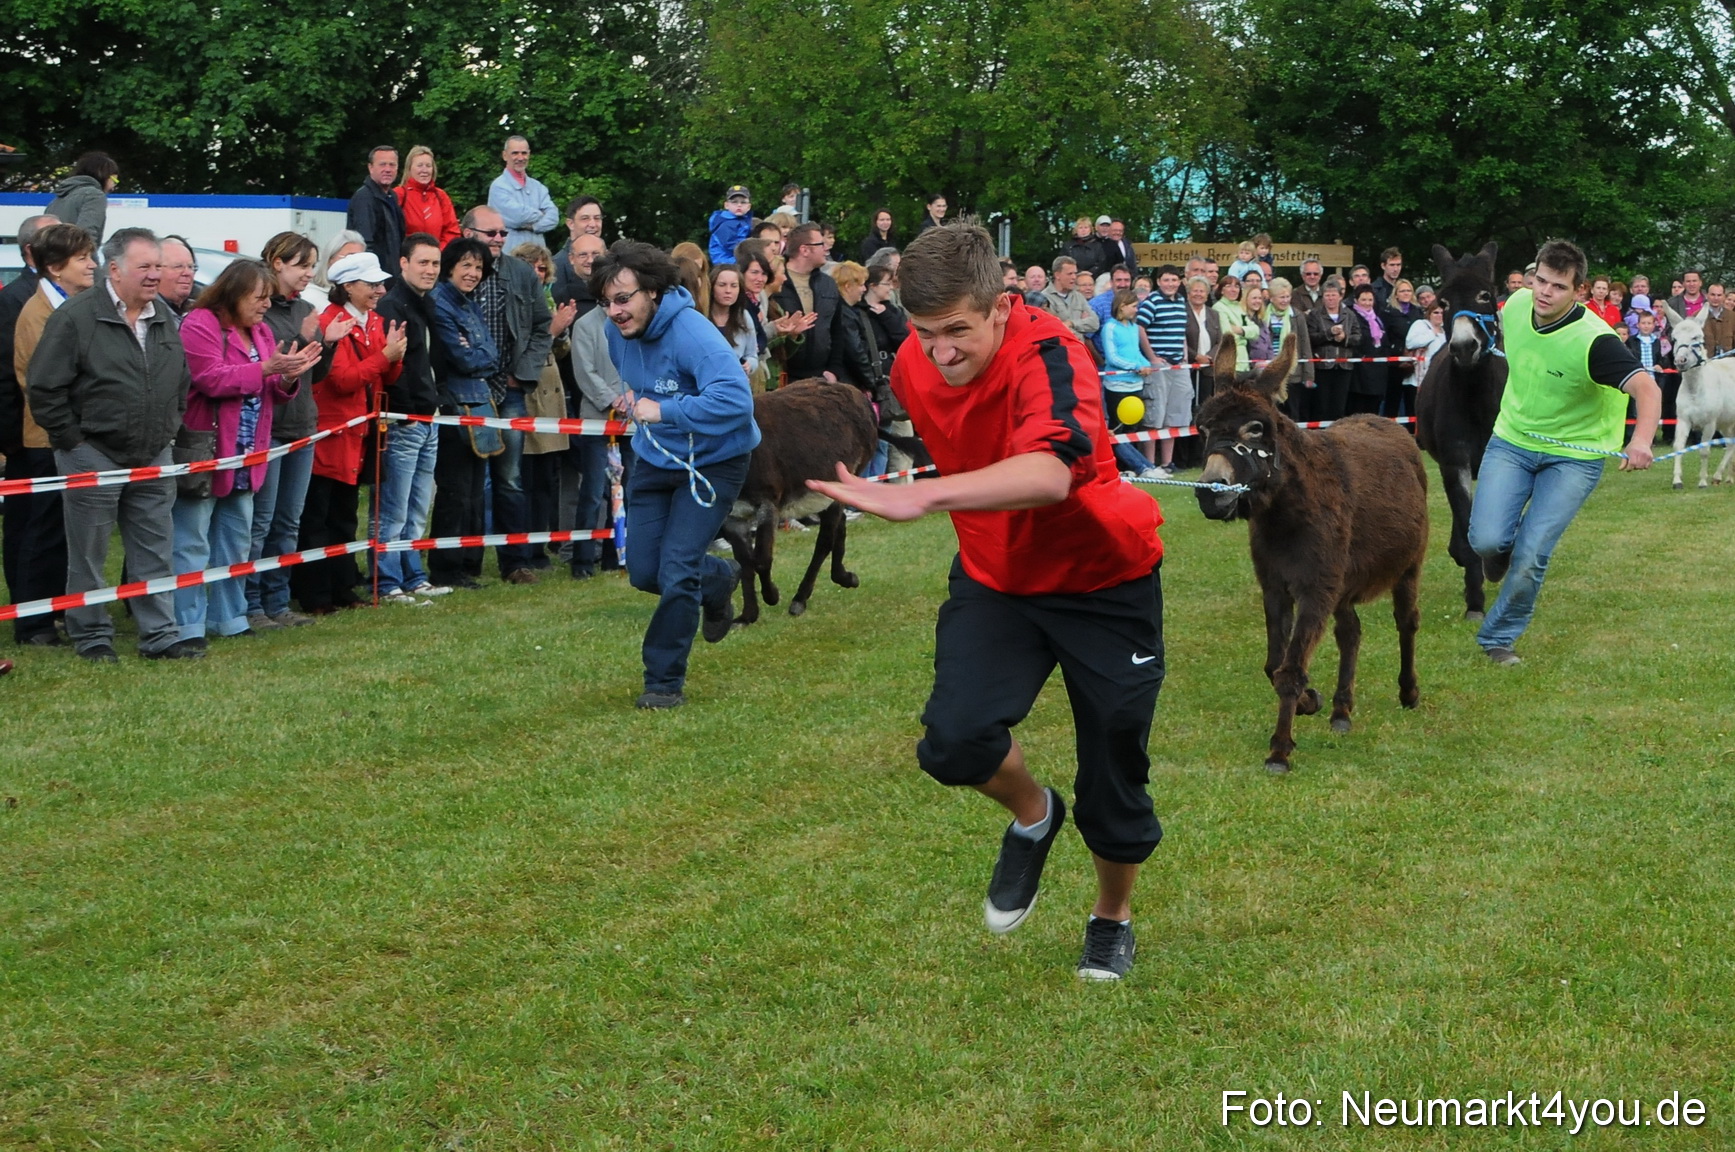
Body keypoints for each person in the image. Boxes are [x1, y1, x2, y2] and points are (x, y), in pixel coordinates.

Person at [806, 223, 1167, 981]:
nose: (940, 351)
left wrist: (922, 497)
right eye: (926, 332)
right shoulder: (911, 360)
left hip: (1103, 578)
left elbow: (1049, 475)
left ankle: (1110, 917)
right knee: (953, 741)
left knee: (1114, 765)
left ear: (1002, 306)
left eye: (958, 332)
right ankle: (1034, 815)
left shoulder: (1051, 352)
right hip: (997, 574)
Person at [1467, 239, 1660, 666]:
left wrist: (1641, 440)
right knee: (1484, 539)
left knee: (1533, 552)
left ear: (1579, 291)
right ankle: (1498, 553)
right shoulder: (1516, 305)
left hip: (1575, 456)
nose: (1543, 292)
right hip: (1513, 440)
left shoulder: (1596, 341)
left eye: (1557, 286)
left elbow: (1646, 388)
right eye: (1539, 280)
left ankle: (1499, 638)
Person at [593, 240, 760, 709]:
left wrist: (664, 409)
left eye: (624, 299)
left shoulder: (693, 333)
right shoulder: (616, 333)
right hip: (654, 458)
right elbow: (644, 385)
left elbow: (736, 401)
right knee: (646, 572)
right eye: (607, 302)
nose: (615, 312)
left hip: (713, 464)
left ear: (654, 291)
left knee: (677, 568)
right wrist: (643, 408)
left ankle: (663, 682)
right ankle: (719, 578)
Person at [26, 228, 204, 661]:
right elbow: (44, 387)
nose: (154, 275)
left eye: (157, 266)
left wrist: (168, 426)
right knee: (88, 553)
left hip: (151, 451)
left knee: (154, 550)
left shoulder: (162, 315)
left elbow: (178, 379)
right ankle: (92, 636)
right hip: (93, 451)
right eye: (145, 267)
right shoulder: (76, 317)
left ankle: (160, 636)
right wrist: (73, 442)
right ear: (114, 269)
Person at [173, 260, 314, 642]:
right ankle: (187, 623)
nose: (266, 304)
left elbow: (271, 391)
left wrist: (287, 377)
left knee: (237, 540)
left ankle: (230, 618)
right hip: (208, 452)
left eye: (269, 297)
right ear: (234, 293)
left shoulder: (263, 332)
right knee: (192, 541)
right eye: (259, 297)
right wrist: (267, 369)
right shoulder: (200, 323)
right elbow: (208, 378)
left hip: (249, 453)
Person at [292, 252, 405, 613]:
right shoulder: (330, 322)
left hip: (358, 435)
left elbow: (385, 378)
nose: (380, 290)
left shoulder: (373, 321)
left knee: (344, 516)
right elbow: (342, 381)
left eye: (379, 283)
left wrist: (395, 357)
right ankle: (316, 595)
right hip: (331, 434)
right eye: (372, 284)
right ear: (348, 286)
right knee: (317, 519)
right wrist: (386, 357)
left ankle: (343, 589)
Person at [6, 223, 96, 646]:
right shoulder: (38, 312)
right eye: (82, 259)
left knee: (58, 530)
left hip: (66, 434)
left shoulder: (68, 304)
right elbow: (41, 381)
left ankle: (53, 610)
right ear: (56, 267)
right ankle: (34, 622)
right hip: (46, 438)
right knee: (40, 532)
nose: (92, 265)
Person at [459, 205, 558, 583]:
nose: (500, 239)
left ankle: (515, 562)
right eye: (492, 233)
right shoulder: (454, 273)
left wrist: (523, 373)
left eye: (503, 233)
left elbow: (540, 327)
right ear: (468, 234)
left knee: (511, 480)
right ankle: (465, 565)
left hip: (510, 390)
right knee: (468, 482)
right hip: (467, 391)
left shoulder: (519, 273)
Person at [247, 231, 328, 631]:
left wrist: (322, 342)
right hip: (271, 429)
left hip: (302, 425)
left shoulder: (307, 308)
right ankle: (251, 604)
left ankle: (278, 601)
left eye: (312, 266)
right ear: (277, 262)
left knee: (288, 521)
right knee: (261, 522)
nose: (308, 274)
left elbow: (318, 373)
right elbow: (273, 362)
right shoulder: (261, 311)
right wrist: (304, 337)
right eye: (302, 266)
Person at [373, 232, 451, 603]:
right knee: (394, 508)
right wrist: (406, 414)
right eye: (423, 262)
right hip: (405, 420)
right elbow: (395, 368)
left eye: (435, 263)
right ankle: (387, 581)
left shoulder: (427, 303)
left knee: (418, 506)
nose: (430, 270)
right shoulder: (392, 306)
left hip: (429, 417)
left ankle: (413, 575)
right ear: (402, 263)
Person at [426, 239, 503, 591]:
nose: (473, 273)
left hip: (479, 401)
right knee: (455, 491)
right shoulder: (440, 303)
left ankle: (468, 563)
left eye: (478, 267)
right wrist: (478, 354)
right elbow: (464, 358)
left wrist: (479, 353)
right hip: (454, 404)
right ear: (451, 266)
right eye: (466, 265)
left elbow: (491, 354)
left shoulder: (470, 305)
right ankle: (445, 566)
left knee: (474, 490)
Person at [562, 232, 627, 579]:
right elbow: (583, 372)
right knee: (592, 492)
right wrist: (610, 399)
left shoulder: (631, 321)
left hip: (630, 422)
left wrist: (630, 398)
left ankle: (615, 555)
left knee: (625, 488)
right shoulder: (586, 325)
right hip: (597, 420)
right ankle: (582, 561)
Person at [772, 222, 849, 384]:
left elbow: (838, 330)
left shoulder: (828, 284)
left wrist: (834, 370)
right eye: (821, 244)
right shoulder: (776, 281)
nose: (826, 247)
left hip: (821, 376)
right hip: (784, 376)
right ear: (804, 250)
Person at [1133, 265, 1191, 475]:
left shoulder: (1181, 302)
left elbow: (1181, 331)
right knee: (1154, 416)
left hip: (1178, 365)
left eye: (1174, 280)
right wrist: (1152, 358)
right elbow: (1139, 328)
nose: (1170, 284)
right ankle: (1149, 464)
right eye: (1166, 280)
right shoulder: (1151, 302)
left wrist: (1184, 354)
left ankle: (1167, 463)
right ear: (1158, 281)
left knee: (1175, 416)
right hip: (1159, 366)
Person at [1304, 276, 1360, 422]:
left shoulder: (1350, 315)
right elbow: (1311, 338)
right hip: (1322, 366)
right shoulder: (1315, 315)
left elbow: (1358, 337)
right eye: (1327, 295)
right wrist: (1329, 334)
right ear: (1323, 297)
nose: (1330, 299)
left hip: (1344, 366)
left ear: (1340, 296)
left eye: (1333, 295)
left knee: (1339, 406)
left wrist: (1344, 338)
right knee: (1321, 406)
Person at [488, 135, 558, 252]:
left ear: (529, 154)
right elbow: (517, 217)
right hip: (509, 252)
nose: (520, 158)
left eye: (524, 153)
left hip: (538, 254)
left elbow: (554, 218)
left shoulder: (538, 187)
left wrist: (534, 226)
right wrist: (541, 214)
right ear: (505, 155)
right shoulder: (498, 186)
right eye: (515, 153)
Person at [346, 145, 406, 277]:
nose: (387, 169)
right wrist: (375, 279)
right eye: (382, 164)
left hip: (392, 275)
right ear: (370, 167)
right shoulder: (364, 198)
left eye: (392, 165)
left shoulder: (392, 197)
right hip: (375, 279)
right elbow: (365, 243)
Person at [45, 152, 118, 247]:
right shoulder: (94, 196)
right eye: (115, 180)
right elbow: (87, 237)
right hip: (74, 258)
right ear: (103, 175)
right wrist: (90, 260)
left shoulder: (59, 197)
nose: (114, 186)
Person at [395, 145, 461, 247]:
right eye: (420, 165)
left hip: (437, 257)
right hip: (407, 257)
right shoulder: (399, 194)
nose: (424, 170)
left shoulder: (441, 196)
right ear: (409, 168)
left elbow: (452, 231)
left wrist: (439, 252)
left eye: (428, 166)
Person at [1345, 283, 1387, 415]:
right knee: (1358, 409)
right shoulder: (1351, 316)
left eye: (1370, 300)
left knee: (1374, 409)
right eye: (1363, 300)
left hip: (1378, 372)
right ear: (1356, 300)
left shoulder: (1377, 318)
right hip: (1360, 373)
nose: (1367, 303)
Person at [708, 263, 757, 378]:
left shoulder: (744, 316)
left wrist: (749, 365)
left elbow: (752, 355)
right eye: (722, 285)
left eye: (734, 286)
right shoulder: (700, 316)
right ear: (712, 287)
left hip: (734, 381)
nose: (728, 290)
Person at [552, 196, 605, 303]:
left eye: (597, 218)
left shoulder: (611, 260)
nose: (593, 224)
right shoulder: (556, 266)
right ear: (570, 224)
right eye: (585, 218)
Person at [302, 229, 365, 313]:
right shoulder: (310, 297)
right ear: (330, 259)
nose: (356, 264)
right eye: (350, 257)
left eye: (362, 259)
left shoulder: (364, 300)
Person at [1041, 256, 1099, 343]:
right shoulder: (1045, 298)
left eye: (1075, 273)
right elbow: (1053, 328)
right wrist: (1082, 323)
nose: (1074, 277)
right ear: (1057, 275)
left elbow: (1095, 323)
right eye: (1070, 274)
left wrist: (1071, 323)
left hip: (1080, 350)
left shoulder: (1079, 297)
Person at [1211, 274, 1251, 375]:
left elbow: (1256, 331)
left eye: (1237, 286)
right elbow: (1227, 334)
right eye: (1228, 286)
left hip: (1244, 360)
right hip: (1230, 359)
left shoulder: (1239, 307)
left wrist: (1240, 330)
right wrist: (1246, 333)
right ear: (1221, 290)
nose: (1233, 290)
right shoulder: (1218, 307)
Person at [707, 185, 754, 267]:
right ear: (726, 205)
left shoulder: (743, 221)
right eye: (734, 202)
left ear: (749, 206)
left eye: (743, 202)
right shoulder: (724, 223)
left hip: (734, 260)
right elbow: (731, 245)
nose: (739, 205)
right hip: (725, 262)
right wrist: (752, 250)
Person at [1406, 300, 1447, 386]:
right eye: (1436, 312)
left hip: (1438, 378)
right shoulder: (1420, 324)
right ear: (1429, 314)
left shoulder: (1445, 331)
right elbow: (1410, 343)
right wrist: (1432, 334)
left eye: (1442, 313)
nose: (1439, 315)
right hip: (1418, 379)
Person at [157, 236, 198, 316]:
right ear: (156, 269)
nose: (187, 273)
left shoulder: (199, 312)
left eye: (190, 267)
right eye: (178, 266)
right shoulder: (146, 313)